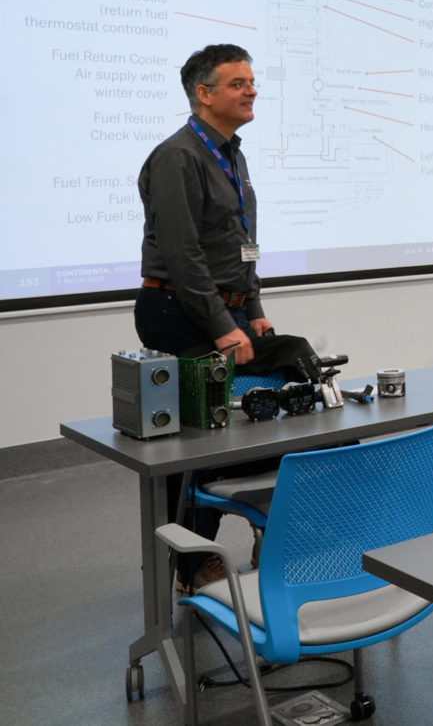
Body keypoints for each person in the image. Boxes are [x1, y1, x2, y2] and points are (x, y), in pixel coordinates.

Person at [135, 43, 276, 592]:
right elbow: (182, 253)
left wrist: (254, 309)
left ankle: (222, 546)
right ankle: (192, 564)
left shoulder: (230, 152)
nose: (251, 90)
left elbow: (242, 241)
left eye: (252, 80)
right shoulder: (179, 156)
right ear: (204, 93)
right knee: (200, 445)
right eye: (238, 83)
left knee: (228, 433)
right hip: (179, 311)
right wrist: (221, 324)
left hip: (226, 308)